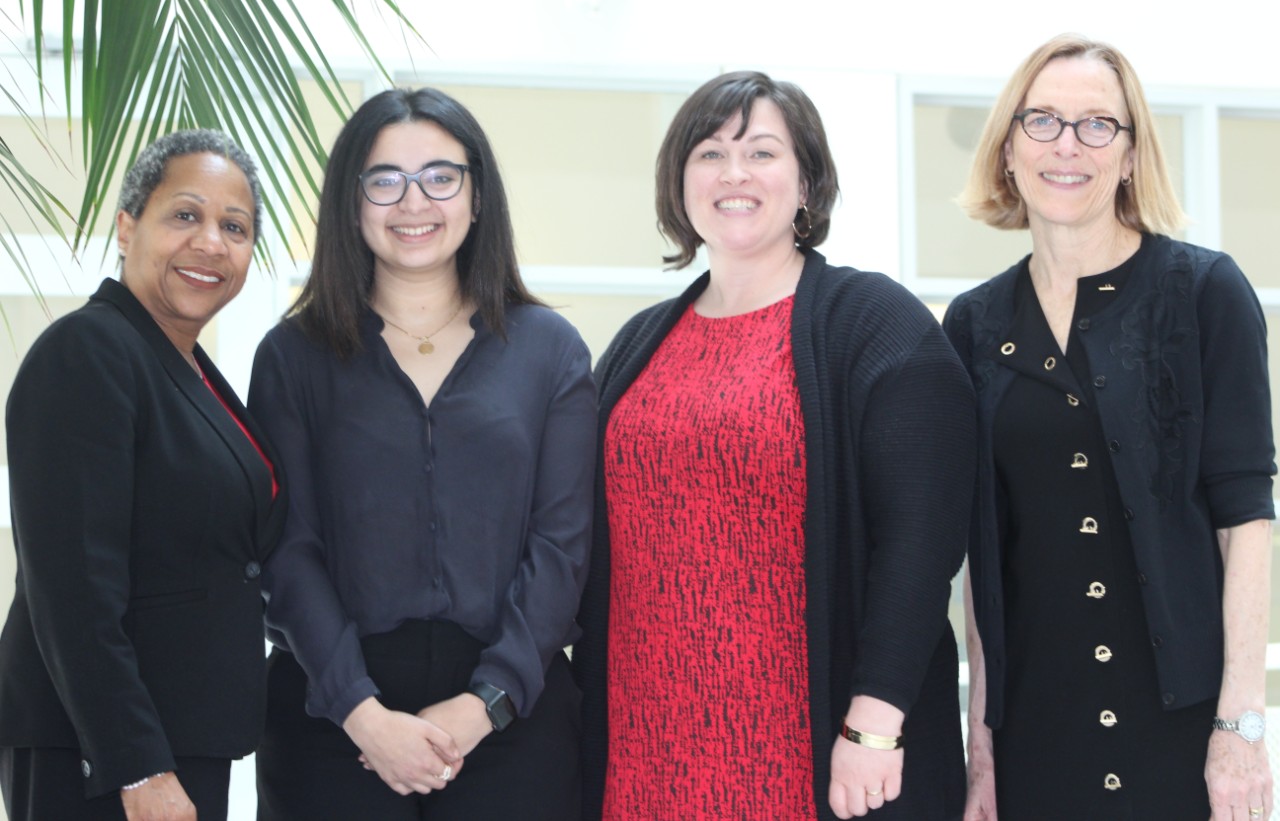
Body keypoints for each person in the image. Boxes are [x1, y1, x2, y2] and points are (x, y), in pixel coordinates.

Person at [572, 71, 976, 821]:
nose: (734, 173)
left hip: (807, 749)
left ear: (807, 182)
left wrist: (875, 719)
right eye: (710, 153)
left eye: (761, 152)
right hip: (645, 744)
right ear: (680, 184)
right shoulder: (638, 342)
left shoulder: (874, 323)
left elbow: (922, 541)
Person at [945, 34, 1275, 821]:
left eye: (1097, 124)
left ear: (1130, 155)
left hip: (1182, 731)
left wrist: (1241, 724)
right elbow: (984, 557)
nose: (1068, 145)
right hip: (1037, 733)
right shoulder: (973, 325)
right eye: (1042, 120)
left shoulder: (1205, 293)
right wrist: (982, 746)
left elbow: (1246, 521)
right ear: (1008, 149)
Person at [248, 86, 595, 821]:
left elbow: (562, 544)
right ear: (352, 202)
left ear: (477, 195)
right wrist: (361, 713)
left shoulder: (550, 350)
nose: (414, 202)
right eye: (385, 180)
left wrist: (485, 703)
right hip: (333, 713)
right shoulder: (293, 356)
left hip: (514, 712)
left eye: (441, 177)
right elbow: (287, 549)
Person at [0, 129, 283, 820]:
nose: (211, 242)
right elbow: (73, 585)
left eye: (235, 227)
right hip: (105, 754)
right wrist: (138, 764)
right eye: (185, 214)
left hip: (178, 737)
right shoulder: (87, 351)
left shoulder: (181, 366)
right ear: (127, 227)